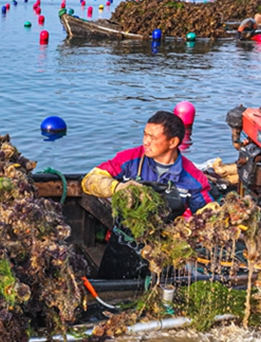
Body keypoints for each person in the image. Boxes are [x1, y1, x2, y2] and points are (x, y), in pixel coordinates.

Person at [81, 111, 214, 279]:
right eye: (145, 135)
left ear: (173, 142)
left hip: (164, 254)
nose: (146, 141)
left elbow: (207, 215)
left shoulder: (192, 178)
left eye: (152, 137)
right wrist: (117, 187)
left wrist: (186, 231)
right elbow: (89, 180)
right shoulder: (130, 160)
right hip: (122, 246)